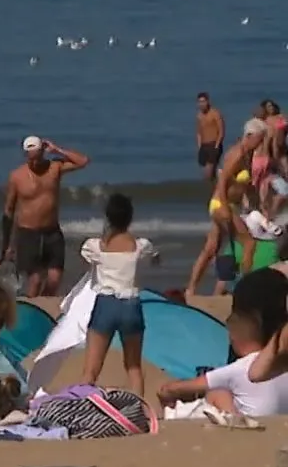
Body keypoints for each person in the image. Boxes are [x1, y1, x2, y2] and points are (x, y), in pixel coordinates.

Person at [161, 269, 288, 418]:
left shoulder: (242, 368)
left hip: (254, 430)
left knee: (217, 393)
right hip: (277, 423)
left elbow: (176, 389)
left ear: (253, 322)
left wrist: (166, 391)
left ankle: (234, 418)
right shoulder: (281, 362)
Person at [79, 193, 159, 397]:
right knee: (133, 367)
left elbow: (87, 259)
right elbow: (155, 258)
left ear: (108, 217)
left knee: (91, 370)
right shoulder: (141, 246)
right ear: (130, 218)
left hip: (106, 304)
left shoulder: (96, 246)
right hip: (131, 305)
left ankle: (83, 407)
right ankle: (140, 409)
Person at [1, 135, 90, 296]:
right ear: (25, 156)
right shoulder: (17, 176)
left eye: (38, 158)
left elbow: (82, 161)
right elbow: (9, 210)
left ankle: (43, 305)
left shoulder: (54, 167)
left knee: (55, 279)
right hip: (28, 233)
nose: (35, 163)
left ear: (43, 152)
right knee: (35, 280)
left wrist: (57, 149)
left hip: (52, 231)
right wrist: (8, 244)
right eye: (31, 159)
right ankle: (31, 309)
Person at [191, 119, 270, 294]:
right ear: (249, 136)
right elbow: (222, 180)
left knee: (211, 249)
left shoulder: (248, 155)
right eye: (260, 138)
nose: (262, 142)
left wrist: (258, 206)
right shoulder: (237, 154)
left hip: (230, 204)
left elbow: (246, 186)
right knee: (249, 243)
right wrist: (226, 208)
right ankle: (244, 289)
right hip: (221, 203)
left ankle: (190, 289)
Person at [197, 93, 227, 182]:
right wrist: (199, 146)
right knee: (209, 171)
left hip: (214, 144)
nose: (201, 104)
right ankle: (214, 188)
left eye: (203, 101)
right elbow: (199, 131)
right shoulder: (199, 115)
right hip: (204, 145)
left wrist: (217, 145)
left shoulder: (215, 113)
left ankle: (207, 188)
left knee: (208, 172)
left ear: (208, 102)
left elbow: (221, 130)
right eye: (200, 102)